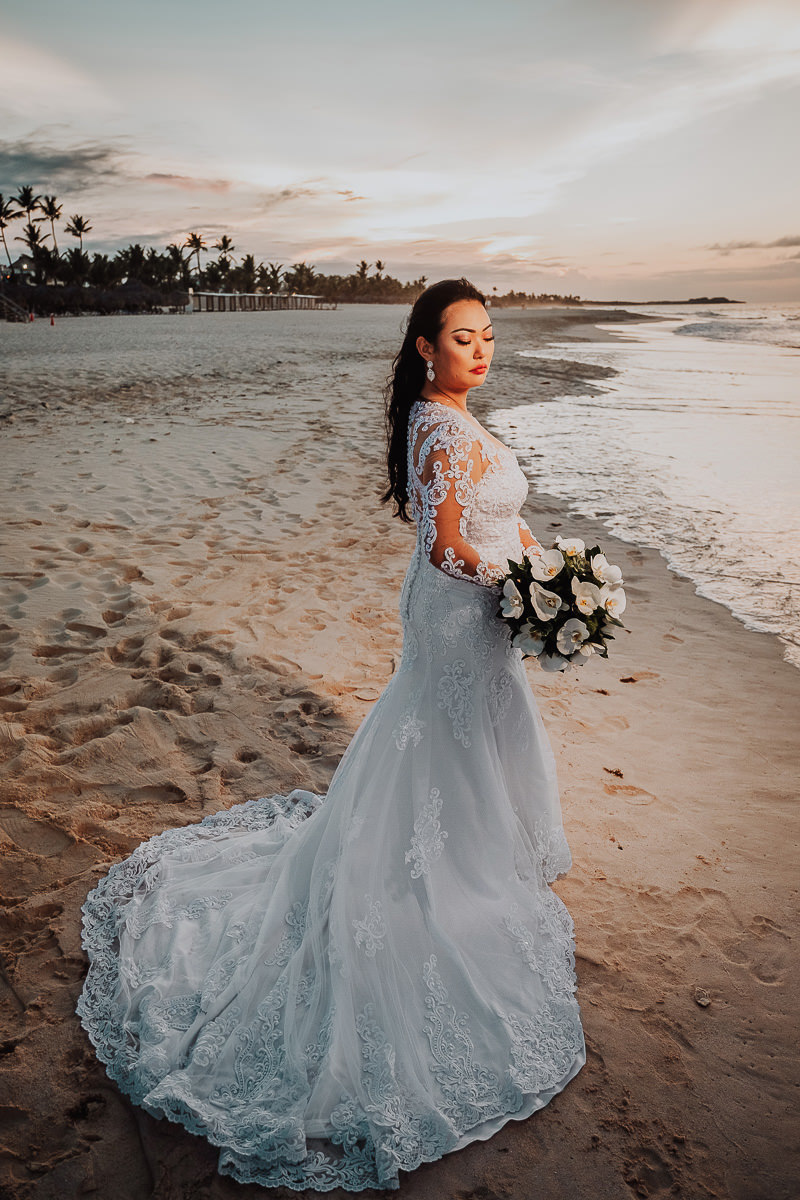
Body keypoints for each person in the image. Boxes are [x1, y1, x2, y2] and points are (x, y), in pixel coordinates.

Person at [77, 278, 586, 1192]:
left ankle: (472, 879)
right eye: (462, 337)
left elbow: (497, 518)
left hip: (483, 616)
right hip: (457, 614)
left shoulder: (462, 421)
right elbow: (443, 548)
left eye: (488, 335)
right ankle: (432, 896)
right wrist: (522, 588)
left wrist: (551, 571)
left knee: (468, 751)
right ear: (426, 347)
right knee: (438, 747)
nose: (480, 349)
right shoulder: (434, 422)